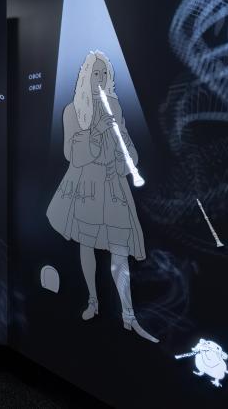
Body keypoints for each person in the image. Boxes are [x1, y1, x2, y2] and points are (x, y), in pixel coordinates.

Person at [46, 50, 158, 343]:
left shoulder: (114, 105)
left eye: (104, 74)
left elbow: (126, 141)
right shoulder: (73, 110)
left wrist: (128, 158)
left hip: (112, 184)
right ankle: (93, 300)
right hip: (87, 187)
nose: (99, 79)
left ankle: (128, 314)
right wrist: (95, 134)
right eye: (95, 74)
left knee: (119, 252)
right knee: (87, 245)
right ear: (86, 76)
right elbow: (71, 154)